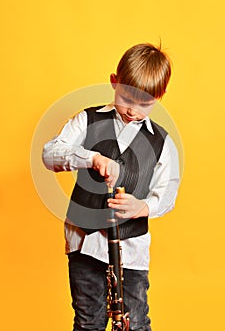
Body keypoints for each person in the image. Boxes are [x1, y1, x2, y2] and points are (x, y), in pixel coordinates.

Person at [42, 43, 180, 331]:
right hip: (85, 244)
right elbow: (50, 153)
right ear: (114, 82)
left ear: (160, 97)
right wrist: (89, 157)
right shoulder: (87, 119)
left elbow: (167, 194)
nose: (133, 111)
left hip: (131, 250)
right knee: (88, 321)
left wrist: (142, 207)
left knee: (137, 321)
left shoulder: (162, 142)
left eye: (145, 103)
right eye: (127, 99)